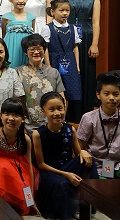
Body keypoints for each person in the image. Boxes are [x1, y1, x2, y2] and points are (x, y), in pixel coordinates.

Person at [33, 92, 97, 220]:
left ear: (65, 108)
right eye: (52, 110)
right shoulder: (38, 134)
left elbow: (78, 154)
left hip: (66, 166)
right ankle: (68, 211)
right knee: (61, 183)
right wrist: (66, 174)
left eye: (60, 108)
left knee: (90, 162)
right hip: (49, 171)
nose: (57, 113)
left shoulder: (70, 129)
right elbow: (41, 164)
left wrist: (83, 152)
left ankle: (91, 203)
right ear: (43, 111)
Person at [77, 73, 120, 179]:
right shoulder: (88, 118)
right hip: (94, 165)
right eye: (106, 94)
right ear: (98, 95)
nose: (111, 98)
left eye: (115, 94)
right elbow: (79, 146)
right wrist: (82, 153)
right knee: (105, 187)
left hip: (119, 163)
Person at [0, 98, 38, 216]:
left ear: (23, 119)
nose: (11, 118)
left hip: (19, 169)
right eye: (7, 114)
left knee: (23, 187)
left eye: (16, 115)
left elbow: (29, 166)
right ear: (1, 116)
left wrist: (31, 196)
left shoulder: (26, 139)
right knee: (3, 167)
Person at [60, 0, 101, 115]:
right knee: (69, 74)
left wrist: (95, 44)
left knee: (87, 75)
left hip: (87, 39)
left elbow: (96, 23)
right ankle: (69, 113)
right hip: (67, 39)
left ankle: (86, 112)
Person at [41, 0, 82, 123]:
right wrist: (48, 65)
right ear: (52, 12)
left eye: (67, 10)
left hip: (70, 61)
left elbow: (75, 47)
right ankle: (51, 118)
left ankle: (63, 118)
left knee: (69, 91)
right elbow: (45, 48)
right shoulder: (48, 28)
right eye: (61, 10)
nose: (65, 13)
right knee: (54, 90)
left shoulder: (73, 28)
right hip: (54, 60)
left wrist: (77, 65)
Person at [15, 34, 66, 132]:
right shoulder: (17, 72)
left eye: (39, 49)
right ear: (26, 52)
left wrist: (60, 121)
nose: (36, 52)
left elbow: (62, 99)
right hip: (28, 126)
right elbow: (17, 101)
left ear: (44, 50)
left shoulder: (53, 72)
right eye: (32, 49)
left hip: (52, 125)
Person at [1, 0, 35, 68]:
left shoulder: (31, 17)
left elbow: (32, 36)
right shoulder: (6, 17)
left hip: (26, 48)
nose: (21, 1)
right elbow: (4, 35)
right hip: (11, 47)